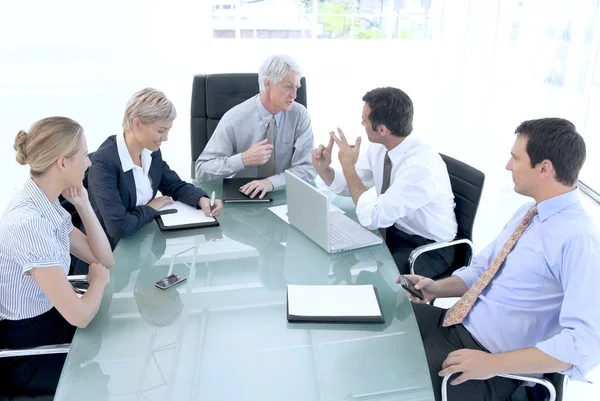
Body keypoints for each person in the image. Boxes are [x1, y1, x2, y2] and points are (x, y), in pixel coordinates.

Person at [401, 118, 600, 401]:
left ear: (544, 168)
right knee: (381, 320)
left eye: (515, 157)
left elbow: (585, 344)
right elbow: (484, 270)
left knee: (384, 380)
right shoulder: (528, 213)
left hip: (489, 363)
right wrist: (436, 288)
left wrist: (493, 364)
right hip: (454, 324)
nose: (508, 165)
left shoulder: (579, 240)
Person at [0, 117, 114, 395]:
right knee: (110, 372)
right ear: (62, 162)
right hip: (28, 353)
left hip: (51, 323)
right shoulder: (29, 223)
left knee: (109, 338)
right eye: (85, 155)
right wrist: (97, 281)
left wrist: (83, 203)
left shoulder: (45, 203)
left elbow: (103, 257)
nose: (89, 163)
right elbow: (80, 316)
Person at [312, 87, 457, 278]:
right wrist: (325, 170)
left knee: (373, 287)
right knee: (333, 256)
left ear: (382, 130)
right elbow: (351, 186)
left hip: (428, 249)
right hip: (394, 231)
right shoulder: (381, 148)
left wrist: (348, 166)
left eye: (365, 121)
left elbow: (373, 218)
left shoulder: (420, 168)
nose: (361, 123)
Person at [88, 88, 223, 249]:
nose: (165, 138)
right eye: (160, 130)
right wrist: (151, 208)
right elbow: (119, 227)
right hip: (112, 252)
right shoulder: (105, 162)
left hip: (144, 245)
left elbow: (174, 186)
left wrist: (202, 200)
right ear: (136, 124)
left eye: (168, 130)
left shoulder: (150, 152)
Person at [195, 54, 316, 199]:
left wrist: (271, 183)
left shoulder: (300, 116)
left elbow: (307, 168)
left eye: (297, 87)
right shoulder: (234, 119)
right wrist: (243, 159)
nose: (295, 95)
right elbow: (202, 171)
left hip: (285, 198)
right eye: (289, 86)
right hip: (242, 200)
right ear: (267, 84)